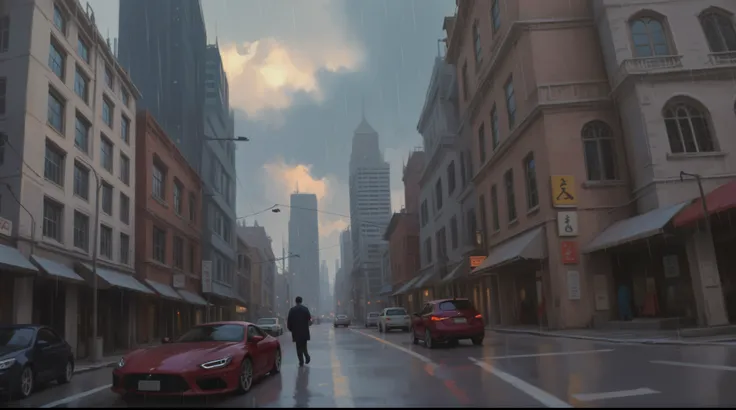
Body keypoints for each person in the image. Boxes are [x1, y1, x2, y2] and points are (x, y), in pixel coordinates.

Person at [287, 296, 312, 367]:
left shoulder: (292, 310)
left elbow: (289, 322)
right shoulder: (305, 309)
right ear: (301, 301)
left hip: (296, 332)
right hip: (304, 331)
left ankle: (301, 361)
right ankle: (307, 356)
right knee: (304, 346)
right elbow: (309, 320)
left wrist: (291, 329)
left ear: (295, 301)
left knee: (298, 347)